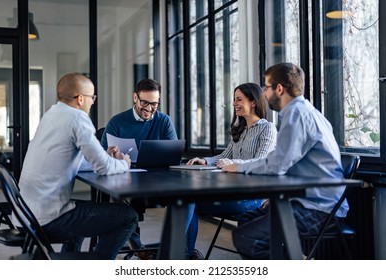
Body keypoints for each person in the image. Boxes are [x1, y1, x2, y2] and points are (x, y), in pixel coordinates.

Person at [222, 62, 347, 259]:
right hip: (308, 201)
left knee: (245, 237)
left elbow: (277, 164)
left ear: (279, 89)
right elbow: (289, 163)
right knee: (247, 219)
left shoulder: (297, 115)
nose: (263, 93)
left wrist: (239, 167)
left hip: (319, 209)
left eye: (266, 87)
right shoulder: (305, 112)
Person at [15, 73, 138, 260]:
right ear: (81, 98)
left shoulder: (51, 115)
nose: (92, 102)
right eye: (92, 97)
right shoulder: (77, 118)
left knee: (86, 213)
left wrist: (103, 156)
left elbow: (74, 160)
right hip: (48, 217)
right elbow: (103, 168)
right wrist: (124, 163)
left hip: (27, 212)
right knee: (128, 216)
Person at [101, 78, 198, 259]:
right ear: (135, 98)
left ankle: (179, 253)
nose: (149, 108)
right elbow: (101, 156)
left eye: (154, 103)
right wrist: (111, 154)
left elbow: (173, 152)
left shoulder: (164, 121)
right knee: (119, 203)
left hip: (160, 178)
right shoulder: (117, 122)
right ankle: (139, 249)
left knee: (188, 198)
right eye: (144, 102)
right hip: (125, 179)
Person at [186, 82, 277, 259]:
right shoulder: (240, 130)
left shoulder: (268, 128)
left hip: (253, 198)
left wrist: (233, 162)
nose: (234, 103)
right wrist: (204, 160)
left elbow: (261, 161)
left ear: (253, 102)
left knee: (191, 203)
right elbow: (223, 155)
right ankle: (185, 256)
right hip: (231, 193)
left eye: (239, 99)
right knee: (188, 203)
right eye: (234, 99)